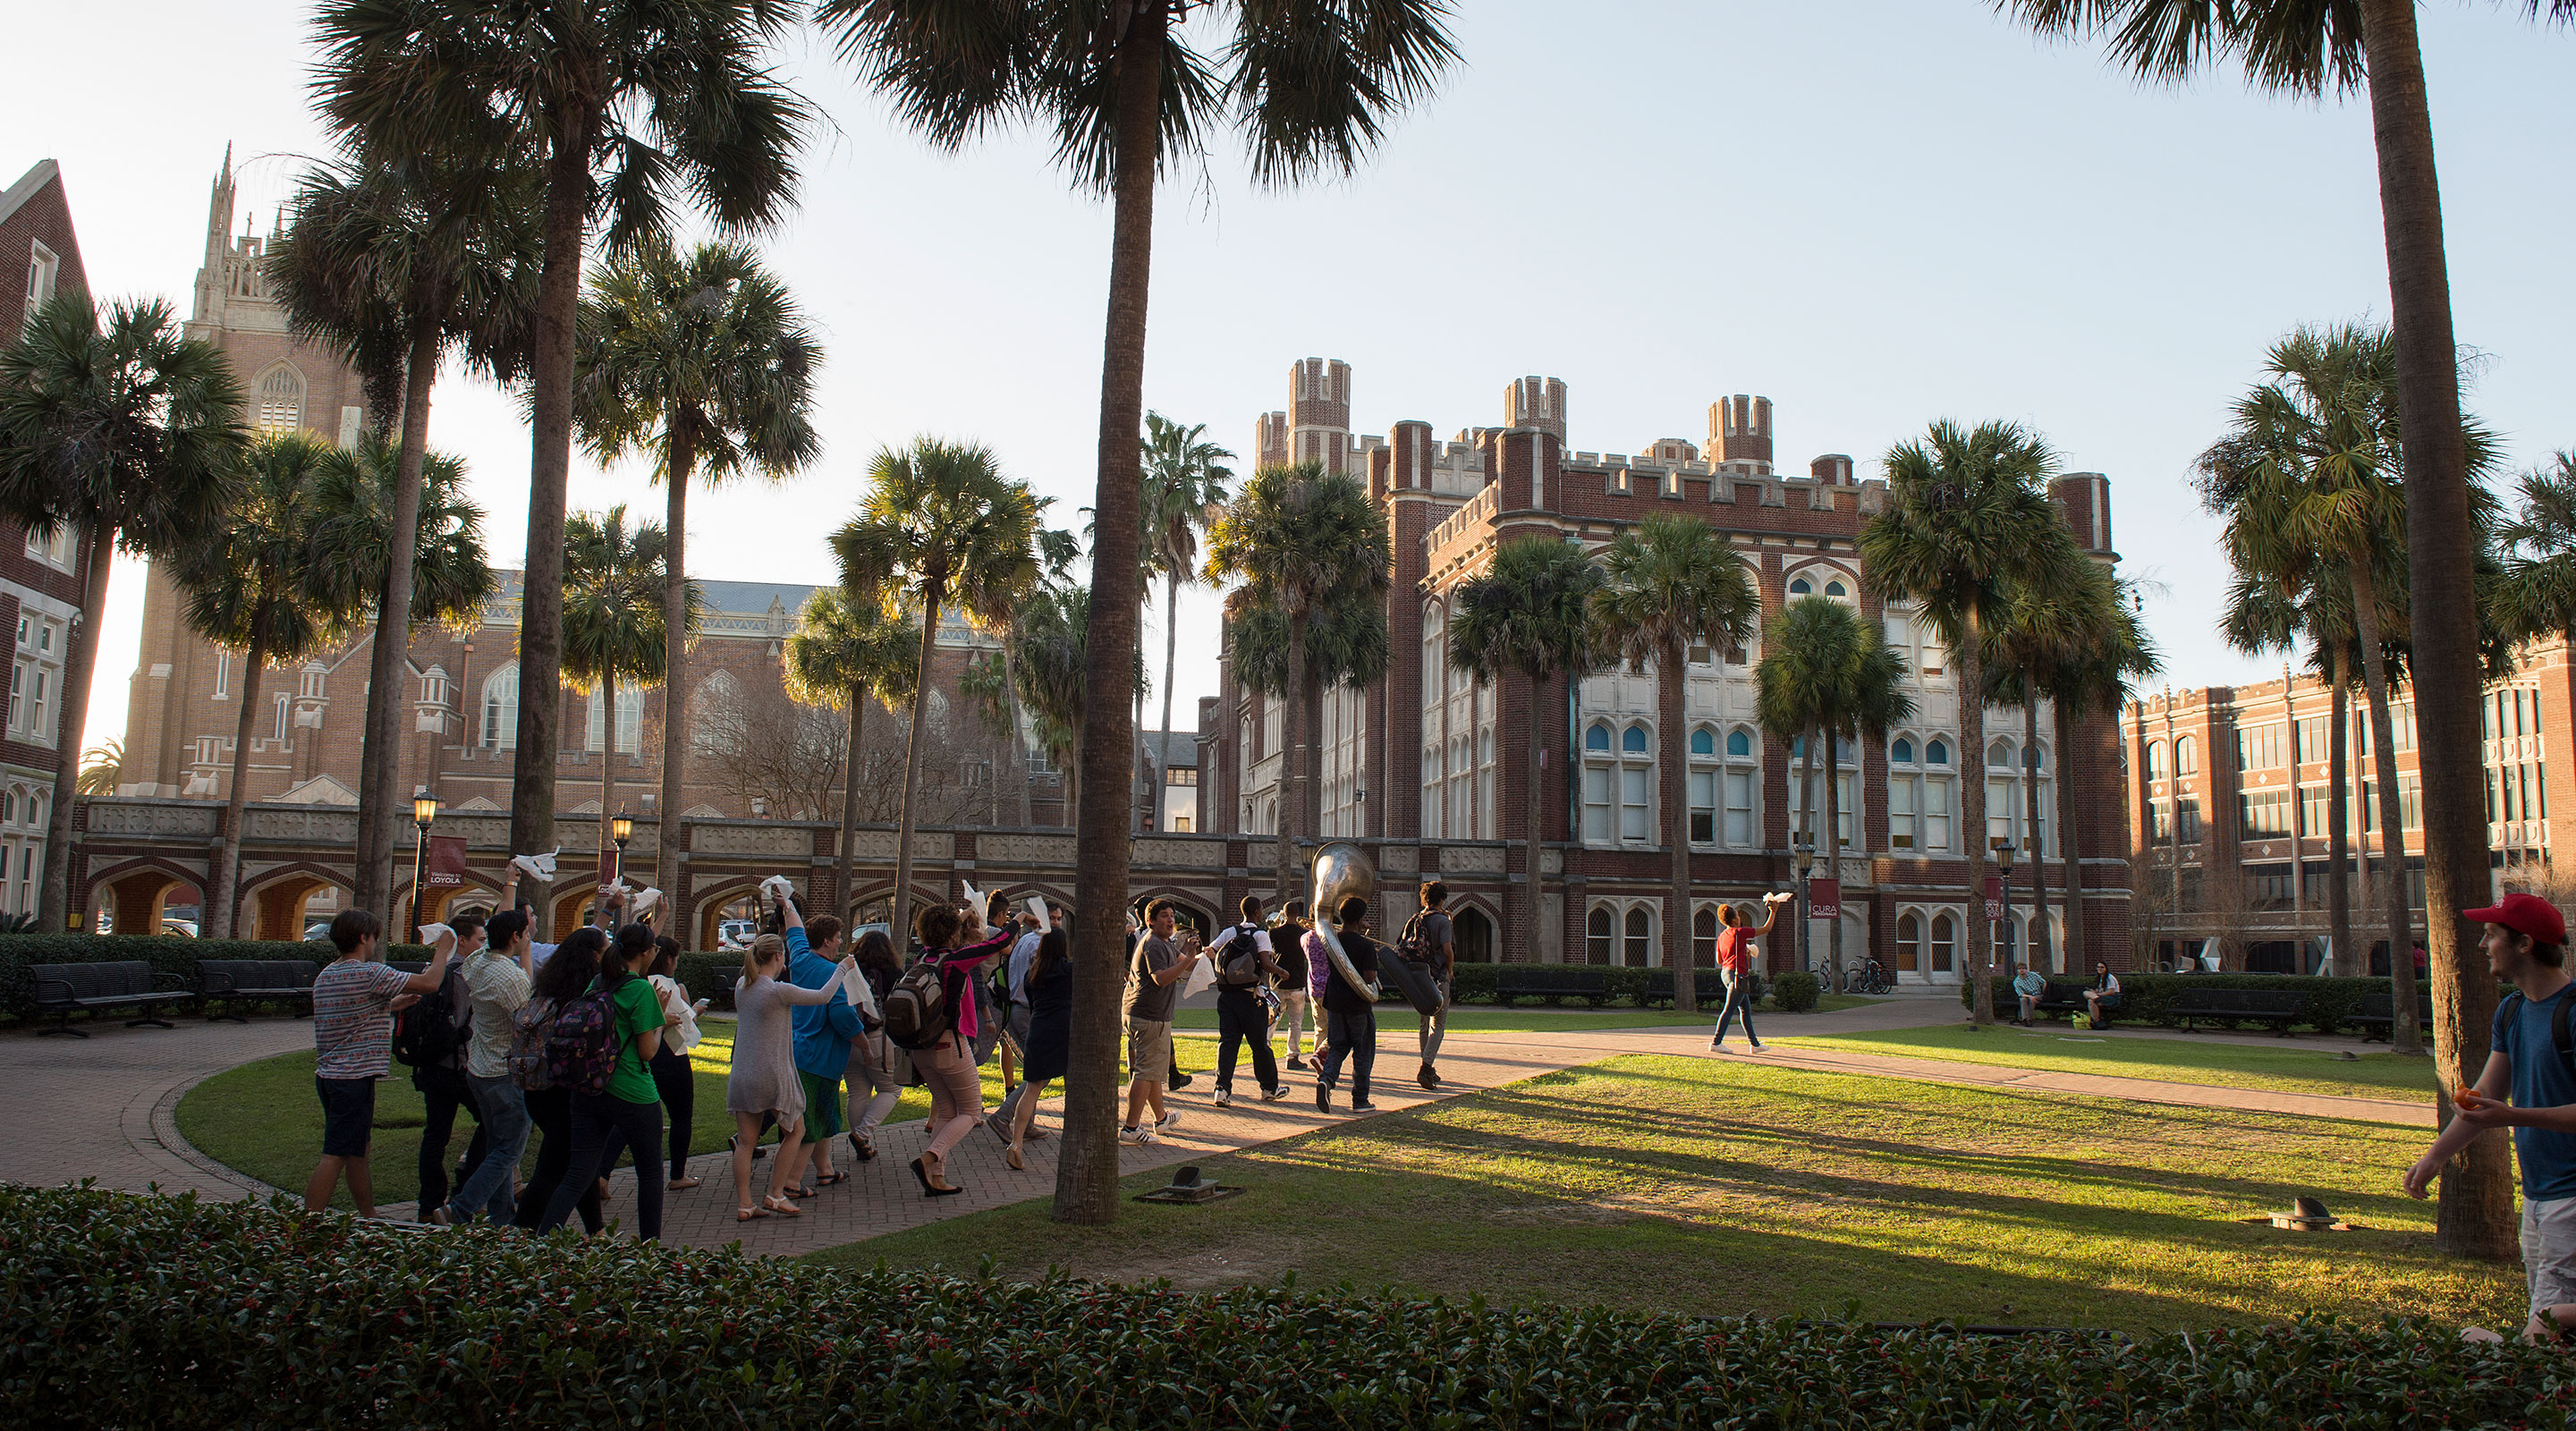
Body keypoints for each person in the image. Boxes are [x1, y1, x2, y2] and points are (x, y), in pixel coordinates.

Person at [2405, 892, 2576, 1345]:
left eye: (2491, 935)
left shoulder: (2573, 1011)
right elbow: (2484, 1100)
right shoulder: (2513, 1010)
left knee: (2547, 1333)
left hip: (2571, 1198)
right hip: (2539, 1196)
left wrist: (2512, 1116)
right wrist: (2434, 1158)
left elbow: (2501, 1112)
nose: (2483, 945)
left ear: (2524, 945)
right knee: (2548, 1325)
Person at [302, 910, 455, 1217]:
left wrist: (393, 1004)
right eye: (374, 936)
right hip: (352, 1081)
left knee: (357, 1151)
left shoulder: (328, 974)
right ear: (363, 937)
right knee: (335, 1154)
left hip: (331, 1077)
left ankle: (369, 1215)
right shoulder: (369, 972)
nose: (375, 943)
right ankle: (307, 1224)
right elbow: (430, 982)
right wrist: (443, 948)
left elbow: (351, 1011)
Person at [536, 923, 674, 1240]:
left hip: (589, 1087)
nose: (655, 954)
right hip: (633, 1092)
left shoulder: (597, 983)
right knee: (650, 1172)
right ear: (644, 953)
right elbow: (648, 1051)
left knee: (577, 1173)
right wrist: (661, 1021)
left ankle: (543, 1239)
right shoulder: (640, 989)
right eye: (654, 949)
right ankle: (650, 1247)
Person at [727, 928, 851, 1221]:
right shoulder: (778, 991)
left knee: (746, 1142)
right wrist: (842, 968)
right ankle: (776, 1193)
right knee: (796, 1132)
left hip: (742, 1074)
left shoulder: (742, 986)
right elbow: (823, 996)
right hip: (771, 1074)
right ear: (779, 957)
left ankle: (745, 1204)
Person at [911, 901, 1014, 1193]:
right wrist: (1019, 918)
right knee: (971, 1112)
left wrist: (960, 918)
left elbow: (948, 933)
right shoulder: (956, 960)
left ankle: (937, 1177)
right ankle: (929, 1157)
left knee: (946, 1112)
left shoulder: (922, 958)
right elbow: (1001, 940)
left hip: (922, 1048)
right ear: (954, 934)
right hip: (950, 1044)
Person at [513, 928, 607, 1232]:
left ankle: (597, 1230)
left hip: (535, 1086)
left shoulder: (548, 987)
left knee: (580, 1162)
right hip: (563, 1089)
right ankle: (522, 1231)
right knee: (553, 1169)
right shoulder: (585, 997)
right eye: (605, 949)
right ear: (593, 956)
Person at [401, 912, 491, 1224]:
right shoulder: (466, 974)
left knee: (435, 1135)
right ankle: (463, 1191)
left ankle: (428, 1204)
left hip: (431, 1066)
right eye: (480, 939)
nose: (484, 945)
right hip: (461, 1067)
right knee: (494, 1123)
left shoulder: (435, 971)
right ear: (462, 940)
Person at [446, 909, 535, 1225]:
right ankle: (461, 1207)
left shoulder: (476, 963)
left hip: (479, 1069)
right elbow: (528, 1021)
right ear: (515, 936)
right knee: (508, 1152)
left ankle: (501, 1220)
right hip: (504, 1073)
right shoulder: (510, 977)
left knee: (497, 1148)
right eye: (525, 932)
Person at [778, 903, 863, 1198]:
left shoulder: (800, 959)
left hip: (797, 1052)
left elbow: (794, 930)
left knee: (826, 1116)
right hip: (821, 1058)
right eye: (838, 936)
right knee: (811, 1123)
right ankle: (792, 1180)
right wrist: (866, 1046)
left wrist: (787, 903)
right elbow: (843, 1017)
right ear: (827, 940)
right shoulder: (834, 973)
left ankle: (825, 1170)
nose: (841, 941)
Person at [1122, 899, 1202, 1144]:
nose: (1170, 920)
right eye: (1164, 916)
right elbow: (1160, 979)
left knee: (1153, 1071)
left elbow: (1185, 963)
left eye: (1172, 916)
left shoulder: (1164, 942)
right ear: (1150, 921)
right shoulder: (1153, 944)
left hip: (1146, 1015)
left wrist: (1198, 954)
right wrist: (1188, 958)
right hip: (1149, 1017)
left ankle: (1161, 1118)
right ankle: (1131, 1128)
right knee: (1146, 1072)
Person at [1208, 894, 1291, 1107]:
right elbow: (1265, 963)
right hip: (1251, 997)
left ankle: (1221, 1089)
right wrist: (1281, 971)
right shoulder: (1261, 934)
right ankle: (1269, 1088)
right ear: (1257, 912)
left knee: (1227, 1043)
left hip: (1227, 997)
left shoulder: (1229, 932)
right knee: (1259, 1045)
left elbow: (1211, 952)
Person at [1004, 927, 1073, 1170]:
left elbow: (1033, 1005)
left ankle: (1016, 1143)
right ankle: (1072, 1138)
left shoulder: (1032, 974)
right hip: (1064, 1030)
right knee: (1071, 1085)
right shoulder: (1069, 970)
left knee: (1032, 1088)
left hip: (1038, 1028)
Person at [645, 936, 708, 1190]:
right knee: (681, 1116)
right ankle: (678, 1174)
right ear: (669, 959)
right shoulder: (666, 985)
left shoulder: (641, 982)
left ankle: (603, 1174)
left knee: (636, 1115)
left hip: (646, 1055)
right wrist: (695, 1010)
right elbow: (683, 1021)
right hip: (672, 1054)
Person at [1312, 895, 1382, 1115]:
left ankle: (1326, 1080)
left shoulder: (1332, 941)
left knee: (1337, 1046)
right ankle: (1360, 1099)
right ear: (1361, 919)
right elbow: (1370, 977)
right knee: (1363, 1051)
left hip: (1335, 1002)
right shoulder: (1365, 945)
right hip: (1358, 1005)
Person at [843, 928, 907, 1163]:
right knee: (891, 1089)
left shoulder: (849, 970)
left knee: (857, 1092)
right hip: (879, 1038)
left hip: (850, 1037)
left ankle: (863, 1141)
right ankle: (862, 1134)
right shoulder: (894, 973)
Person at [1710, 893, 1794, 1052]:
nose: (1739, 917)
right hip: (1738, 975)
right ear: (1734, 919)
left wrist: (1744, 951)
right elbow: (1767, 928)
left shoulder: (1722, 936)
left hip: (1726, 974)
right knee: (1729, 1009)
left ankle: (1755, 1045)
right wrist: (1773, 911)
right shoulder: (1740, 932)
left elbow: (1719, 960)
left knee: (1745, 1010)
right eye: (1737, 915)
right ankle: (1716, 1042)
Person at [1411, 881, 1458, 1089]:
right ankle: (1426, 1066)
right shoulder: (1442, 920)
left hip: (1419, 976)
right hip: (1438, 976)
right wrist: (1449, 969)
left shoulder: (1416, 919)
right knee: (1438, 1024)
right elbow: (1447, 950)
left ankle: (1427, 1065)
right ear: (1441, 899)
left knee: (1424, 1022)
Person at [1269, 900, 1314, 1071]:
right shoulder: (1305, 933)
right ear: (1297, 914)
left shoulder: (1273, 933)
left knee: (1272, 1020)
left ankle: (1266, 1051)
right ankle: (1292, 1057)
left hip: (1277, 984)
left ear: (1284, 914)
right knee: (1295, 1023)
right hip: (1296, 983)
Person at [2082, 961, 2123, 1029]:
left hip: (2111, 998)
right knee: (2086, 994)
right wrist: (2094, 992)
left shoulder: (2110, 978)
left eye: (2102, 967)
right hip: (2101, 997)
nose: (2099, 969)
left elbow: (2111, 992)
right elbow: (2099, 990)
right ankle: (2097, 1022)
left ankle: (2096, 1022)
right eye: (2098, 967)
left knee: (2091, 1001)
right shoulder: (2100, 978)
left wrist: (2098, 995)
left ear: (2106, 968)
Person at [2010, 961, 2046, 1027]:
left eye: (2023, 968)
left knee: (2032, 1000)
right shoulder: (2017, 981)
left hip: (2037, 994)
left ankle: (2029, 1019)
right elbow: (2020, 993)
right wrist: (2029, 996)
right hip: (2027, 995)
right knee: (2023, 1000)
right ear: (2017, 970)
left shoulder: (2033, 975)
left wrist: (2044, 992)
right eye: (2019, 968)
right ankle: (2026, 1019)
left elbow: (2044, 982)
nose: (2022, 970)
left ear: (2026, 969)